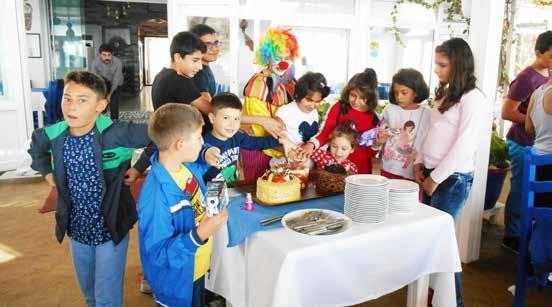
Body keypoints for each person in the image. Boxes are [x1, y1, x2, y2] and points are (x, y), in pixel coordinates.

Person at [28, 71, 152, 307]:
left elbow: (158, 135)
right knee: (89, 292)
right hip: (77, 230)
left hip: (110, 228)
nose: (71, 107)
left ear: (101, 105)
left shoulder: (116, 133)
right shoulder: (55, 133)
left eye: (82, 100)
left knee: (107, 297)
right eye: (67, 98)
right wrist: (48, 174)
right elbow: (37, 147)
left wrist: (137, 169)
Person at [413, 38, 485, 307]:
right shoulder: (445, 94)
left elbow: (464, 146)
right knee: (432, 244)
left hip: (451, 180)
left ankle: (454, 303)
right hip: (431, 174)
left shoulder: (473, 98)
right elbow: (432, 132)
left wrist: (435, 178)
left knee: (443, 248)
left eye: (442, 65)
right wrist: (420, 162)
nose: (436, 70)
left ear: (459, 65)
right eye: (437, 64)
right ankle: (431, 299)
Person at [138, 103, 227, 307]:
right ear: (179, 144)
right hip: (177, 282)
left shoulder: (183, 165)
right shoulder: (155, 196)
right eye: (198, 138)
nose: (203, 142)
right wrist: (199, 235)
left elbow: (197, 161)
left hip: (195, 269)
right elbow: (159, 255)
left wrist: (206, 153)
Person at [501, 30, 552, 252]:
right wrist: (537, 119)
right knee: (521, 189)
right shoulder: (525, 78)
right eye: (551, 56)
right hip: (521, 142)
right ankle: (511, 235)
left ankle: (529, 236)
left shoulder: (548, 75)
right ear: (538, 52)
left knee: (535, 193)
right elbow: (506, 112)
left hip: (537, 144)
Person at [241, 27, 300, 181]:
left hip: (283, 148)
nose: (283, 64)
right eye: (278, 57)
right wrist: (286, 146)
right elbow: (264, 128)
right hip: (261, 149)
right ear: (267, 57)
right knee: (257, 191)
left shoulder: (289, 80)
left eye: (287, 58)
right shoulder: (258, 84)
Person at [203, 92, 295, 186]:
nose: (232, 124)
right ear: (212, 118)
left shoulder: (236, 136)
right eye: (226, 118)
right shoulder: (204, 143)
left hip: (232, 189)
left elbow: (256, 143)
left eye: (236, 119)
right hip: (211, 194)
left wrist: (280, 140)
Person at [301, 68, 382, 174]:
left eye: (363, 98)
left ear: (371, 97)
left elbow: (370, 152)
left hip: (360, 171)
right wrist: (311, 145)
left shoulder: (374, 119)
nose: (356, 101)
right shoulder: (339, 108)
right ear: (347, 92)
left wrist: (378, 144)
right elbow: (325, 133)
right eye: (353, 95)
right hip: (333, 169)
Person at [378, 68, 430, 180]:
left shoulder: (427, 114)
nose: (399, 97)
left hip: (413, 171)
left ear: (416, 92)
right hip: (389, 168)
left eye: (404, 92)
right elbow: (379, 133)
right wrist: (380, 139)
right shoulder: (390, 110)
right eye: (396, 93)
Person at [90, 44, 124, 120]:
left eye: (109, 55)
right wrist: (102, 94)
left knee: (114, 105)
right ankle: (101, 121)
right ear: (100, 55)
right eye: (104, 55)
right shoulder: (95, 63)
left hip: (116, 84)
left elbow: (116, 80)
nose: (107, 57)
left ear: (112, 54)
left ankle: (115, 122)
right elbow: (94, 79)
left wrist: (110, 94)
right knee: (101, 104)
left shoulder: (118, 63)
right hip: (102, 84)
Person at [190, 24, 220, 98]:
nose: (215, 49)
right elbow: (207, 107)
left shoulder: (205, 68)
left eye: (216, 43)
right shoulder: (197, 73)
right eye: (208, 45)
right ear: (195, 47)